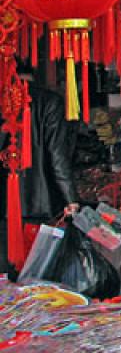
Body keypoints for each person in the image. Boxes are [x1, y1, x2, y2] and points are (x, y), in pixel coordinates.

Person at [0, 63, 79, 276]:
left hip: (4, 205)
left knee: (4, 276)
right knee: (36, 277)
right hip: (40, 203)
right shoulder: (49, 102)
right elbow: (57, 157)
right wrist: (70, 199)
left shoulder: (4, 100)